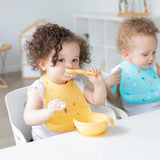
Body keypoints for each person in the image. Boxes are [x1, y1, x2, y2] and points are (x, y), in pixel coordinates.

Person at [23, 23, 106, 140]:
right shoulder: (39, 88)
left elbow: (98, 101)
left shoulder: (77, 84)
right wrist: (48, 111)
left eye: (74, 60)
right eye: (61, 60)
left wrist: (99, 84)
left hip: (76, 136)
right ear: (43, 64)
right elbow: (28, 118)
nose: (70, 65)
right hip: (47, 141)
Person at [105, 17, 160, 116]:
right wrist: (109, 85)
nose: (152, 58)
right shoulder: (119, 71)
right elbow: (114, 99)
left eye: (154, 52)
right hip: (136, 117)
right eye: (145, 54)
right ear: (126, 54)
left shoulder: (154, 66)